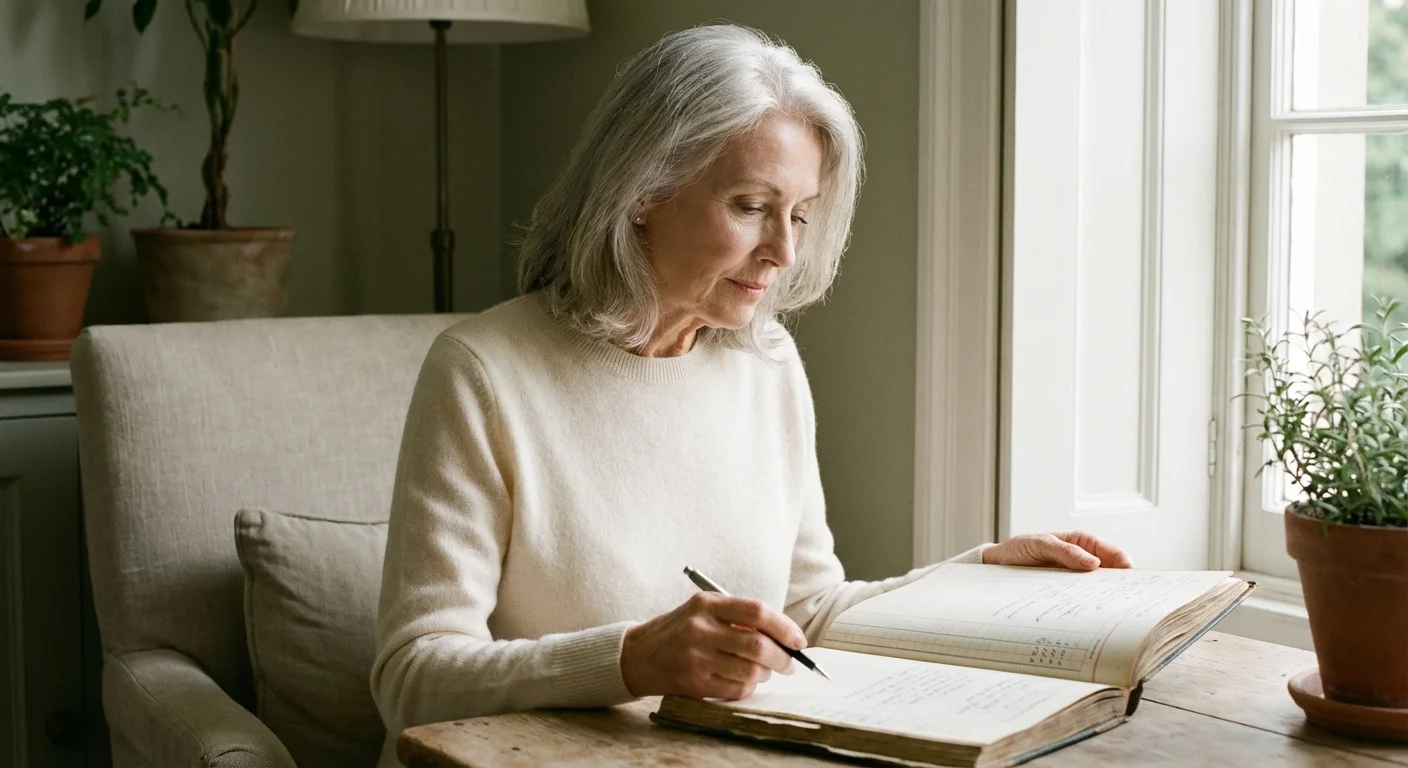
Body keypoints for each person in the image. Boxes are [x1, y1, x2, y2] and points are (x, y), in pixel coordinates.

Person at [370, 23, 1133, 768]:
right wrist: (633, 660)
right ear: (642, 190)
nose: (785, 251)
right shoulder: (483, 369)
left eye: (799, 214)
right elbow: (412, 680)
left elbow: (806, 613)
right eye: (749, 207)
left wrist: (978, 579)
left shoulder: (767, 363)